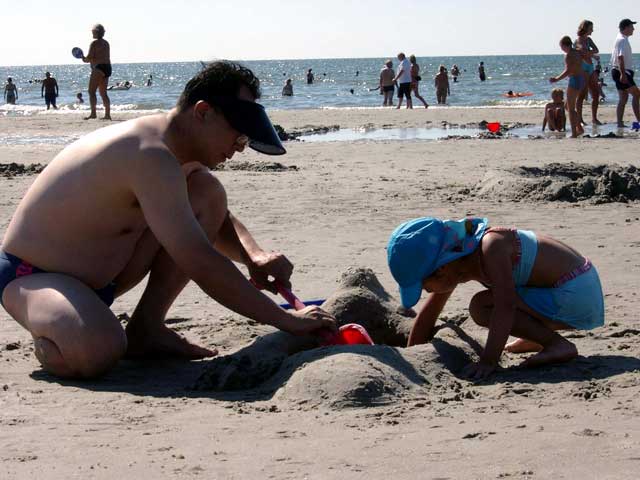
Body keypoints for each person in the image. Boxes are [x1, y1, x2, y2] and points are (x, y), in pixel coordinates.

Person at [0, 61, 337, 379]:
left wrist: (254, 256)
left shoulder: (178, 153)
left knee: (205, 191)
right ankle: (59, 336)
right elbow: (198, 258)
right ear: (203, 112)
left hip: (100, 283)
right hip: (34, 276)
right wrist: (285, 319)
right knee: (98, 350)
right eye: (238, 133)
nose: (240, 147)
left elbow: (211, 216)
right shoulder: (149, 153)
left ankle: (147, 328)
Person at [387, 216, 604, 380]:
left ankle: (557, 344)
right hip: (562, 290)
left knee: (481, 307)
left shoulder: (492, 247)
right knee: (492, 301)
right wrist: (413, 356)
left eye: (424, 287)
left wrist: (488, 361)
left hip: (576, 293)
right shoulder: (457, 256)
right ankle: (538, 337)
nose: (426, 292)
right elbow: (430, 313)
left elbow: (506, 306)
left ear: (441, 270)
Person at [550, 36, 585, 137]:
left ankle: (574, 133)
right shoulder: (577, 52)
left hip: (575, 80)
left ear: (565, 45)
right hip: (581, 79)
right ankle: (579, 128)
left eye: (561, 47)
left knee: (570, 108)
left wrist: (556, 79)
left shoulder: (569, 55)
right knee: (567, 106)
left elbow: (568, 71)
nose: (561, 49)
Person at [611, 19, 640, 128]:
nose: (633, 29)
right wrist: (623, 74)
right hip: (621, 71)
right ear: (626, 27)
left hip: (619, 71)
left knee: (623, 98)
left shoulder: (622, 39)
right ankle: (639, 121)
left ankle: (620, 123)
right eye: (631, 27)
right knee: (637, 94)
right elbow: (620, 58)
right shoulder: (622, 40)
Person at [575, 20, 602, 126]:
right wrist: (590, 53)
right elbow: (580, 51)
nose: (592, 30)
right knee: (582, 95)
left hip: (590, 67)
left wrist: (590, 53)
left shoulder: (588, 40)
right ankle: (579, 119)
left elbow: (596, 49)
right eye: (591, 28)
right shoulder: (578, 40)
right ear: (585, 28)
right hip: (583, 68)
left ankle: (594, 118)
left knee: (596, 93)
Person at [82, 23, 111, 120]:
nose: (92, 33)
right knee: (103, 93)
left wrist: (84, 59)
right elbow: (100, 56)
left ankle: (93, 113)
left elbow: (89, 57)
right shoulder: (106, 43)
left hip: (99, 68)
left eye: (93, 31)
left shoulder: (94, 43)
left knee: (91, 91)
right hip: (107, 68)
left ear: (96, 32)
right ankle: (107, 115)